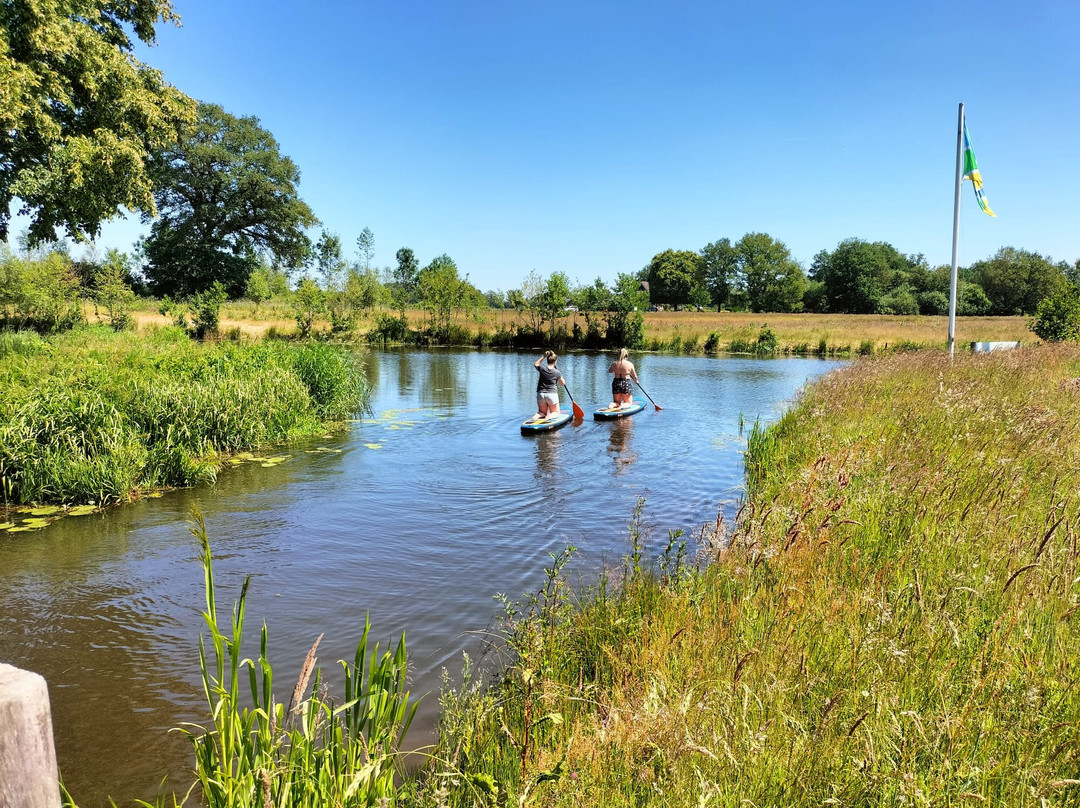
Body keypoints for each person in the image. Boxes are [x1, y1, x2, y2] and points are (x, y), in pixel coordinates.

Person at [533, 350, 566, 420]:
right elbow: (563, 383)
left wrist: (544, 356)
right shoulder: (557, 372)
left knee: (541, 412)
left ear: (547, 360)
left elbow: (536, 364)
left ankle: (535, 417)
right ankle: (549, 416)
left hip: (541, 394)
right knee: (556, 412)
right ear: (555, 361)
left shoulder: (542, 368)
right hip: (551, 395)